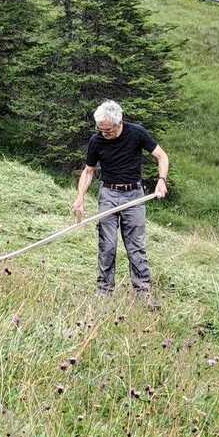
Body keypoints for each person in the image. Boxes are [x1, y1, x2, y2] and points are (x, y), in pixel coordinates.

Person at [72, 100, 169, 298]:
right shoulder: (96, 141)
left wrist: (162, 180)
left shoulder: (136, 133)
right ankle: (104, 292)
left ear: (119, 122)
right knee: (107, 246)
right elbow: (89, 171)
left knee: (136, 246)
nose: (104, 133)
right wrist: (80, 198)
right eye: (101, 129)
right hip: (108, 194)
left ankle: (143, 293)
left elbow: (161, 156)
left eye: (108, 130)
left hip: (134, 196)